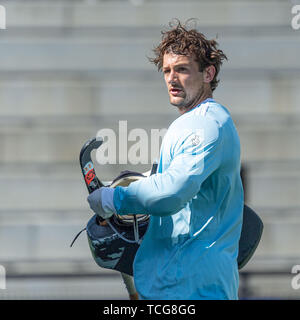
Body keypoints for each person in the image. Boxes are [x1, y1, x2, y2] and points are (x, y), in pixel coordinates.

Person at [87, 19, 244, 300]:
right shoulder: (197, 123)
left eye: (182, 69)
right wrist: (144, 185)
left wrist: (116, 199)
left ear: (208, 73)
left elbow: (171, 192)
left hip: (191, 289)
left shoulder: (205, 124)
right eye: (167, 70)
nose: (172, 78)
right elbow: (183, 196)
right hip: (180, 284)